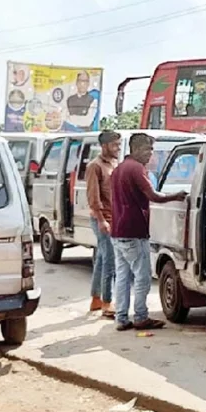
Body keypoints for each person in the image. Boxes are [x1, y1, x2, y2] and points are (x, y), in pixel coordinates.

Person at [110, 133, 187, 331]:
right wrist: (176, 196)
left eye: (151, 150)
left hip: (118, 231)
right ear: (135, 149)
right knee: (142, 276)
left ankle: (121, 318)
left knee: (123, 276)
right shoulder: (136, 169)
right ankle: (141, 317)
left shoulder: (118, 169)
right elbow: (154, 195)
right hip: (134, 230)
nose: (150, 154)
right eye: (147, 149)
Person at [86, 130, 121, 317]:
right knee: (110, 260)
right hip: (102, 218)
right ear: (105, 146)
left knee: (101, 259)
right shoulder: (95, 166)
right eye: (115, 145)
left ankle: (96, 299)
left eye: (119, 144)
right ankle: (107, 302)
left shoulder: (115, 164)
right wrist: (101, 220)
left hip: (113, 217)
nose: (118, 148)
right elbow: (93, 196)